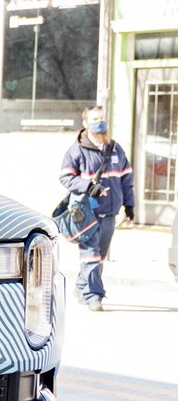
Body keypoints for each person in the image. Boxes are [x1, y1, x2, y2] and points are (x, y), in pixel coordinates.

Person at [59, 106, 135, 311]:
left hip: (110, 212)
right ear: (85, 123)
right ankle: (94, 296)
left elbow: (127, 179)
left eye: (101, 117)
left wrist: (129, 206)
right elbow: (65, 177)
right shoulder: (77, 150)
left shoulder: (116, 148)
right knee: (90, 254)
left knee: (100, 255)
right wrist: (89, 186)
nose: (99, 121)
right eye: (95, 118)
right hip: (86, 211)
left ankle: (82, 286)